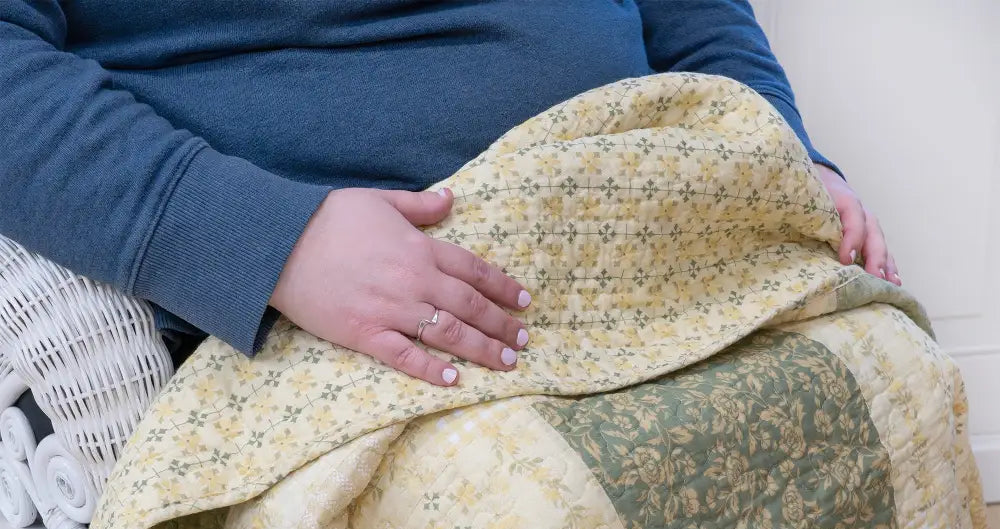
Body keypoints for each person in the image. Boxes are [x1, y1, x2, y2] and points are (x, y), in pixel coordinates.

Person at [0, 0, 899, 389]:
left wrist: (779, 149)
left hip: (662, 219)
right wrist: (270, 242)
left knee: (899, 390)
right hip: (354, 308)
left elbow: (694, 16)